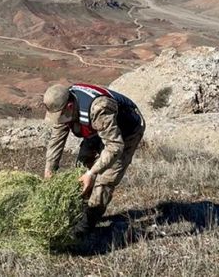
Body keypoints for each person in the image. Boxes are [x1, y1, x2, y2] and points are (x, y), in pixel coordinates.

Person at [42, 82, 145, 234]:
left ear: (69, 107)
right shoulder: (62, 102)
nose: (58, 119)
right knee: (80, 169)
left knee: (105, 180)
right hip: (96, 130)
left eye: (59, 115)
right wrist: (50, 169)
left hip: (126, 131)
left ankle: (84, 227)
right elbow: (57, 139)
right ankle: (77, 210)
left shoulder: (99, 108)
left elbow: (114, 146)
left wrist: (92, 173)